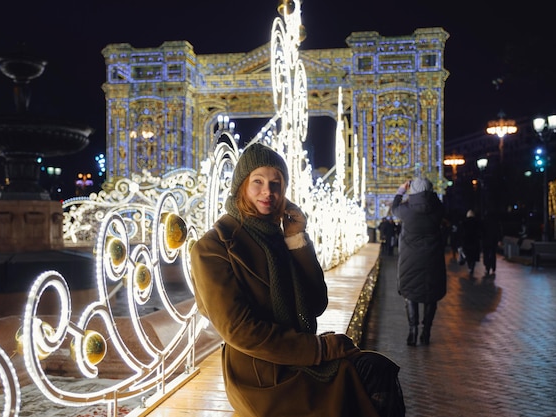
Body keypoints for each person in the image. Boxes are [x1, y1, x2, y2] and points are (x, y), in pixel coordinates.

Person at [190, 143, 405, 417]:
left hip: (296, 358)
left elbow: (315, 303)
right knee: (368, 379)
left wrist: (296, 238)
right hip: (260, 375)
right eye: (257, 182)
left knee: (377, 371)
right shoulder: (214, 246)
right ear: (241, 185)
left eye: (276, 183)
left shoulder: (278, 236)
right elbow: (240, 331)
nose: (268, 191)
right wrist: (319, 349)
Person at [391, 177, 446, 346]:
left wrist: (401, 190)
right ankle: (426, 331)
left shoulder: (406, 211)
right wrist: (430, 194)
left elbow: (393, 208)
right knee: (432, 295)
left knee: (410, 293)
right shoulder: (438, 209)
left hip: (410, 258)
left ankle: (412, 331)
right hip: (433, 257)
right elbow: (439, 204)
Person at [459, 209, 481, 276]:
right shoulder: (477, 222)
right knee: (473, 256)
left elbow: (461, 232)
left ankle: (469, 267)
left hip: (466, 241)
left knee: (468, 255)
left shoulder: (464, 222)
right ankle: (472, 267)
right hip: (475, 241)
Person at [481, 212, 502, 276]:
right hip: (493, 240)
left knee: (486, 254)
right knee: (493, 254)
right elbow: (499, 231)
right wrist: (499, 240)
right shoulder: (496, 222)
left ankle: (487, 267)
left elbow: (482, 232)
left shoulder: (484, 222)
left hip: (486, 240)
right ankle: (493, 268)